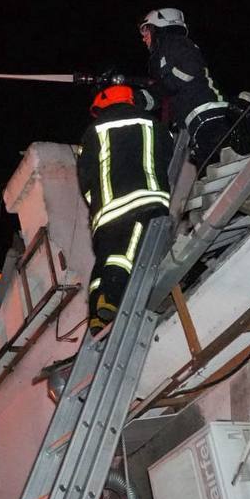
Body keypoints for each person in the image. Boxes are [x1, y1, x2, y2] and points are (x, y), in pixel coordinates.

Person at [76, 83, 172, 334]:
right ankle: (112, 295)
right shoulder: (149, 122)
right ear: (130, 99)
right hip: (142, 199)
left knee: (106, 258)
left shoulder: (91, 132)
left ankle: (97, 314)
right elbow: (167, 152)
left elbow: (85, 177)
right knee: (128, 251)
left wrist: (97, 204)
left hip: (104, 213)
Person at [138, 7, 250, 170]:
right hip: (194, 121)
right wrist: (140, 99)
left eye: (146, 30)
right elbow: (163, 92)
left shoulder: (175, 42)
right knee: (212, 164)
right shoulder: (159, 58)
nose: (144, 38)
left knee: (225, 161)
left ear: (160, 25)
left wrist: (166, 82)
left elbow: (190, 68)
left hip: (209, 112)